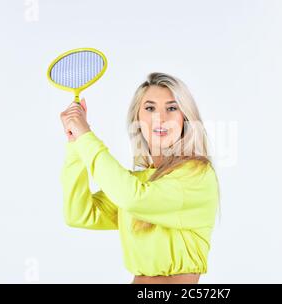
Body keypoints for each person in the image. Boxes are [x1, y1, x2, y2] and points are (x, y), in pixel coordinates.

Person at [59, 72, 220, 284]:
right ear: (137, 118)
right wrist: (76, 144)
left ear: (185, 118)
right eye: (150, 108)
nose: (160, 118)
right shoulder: (139, 181)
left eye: (172, 108)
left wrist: (86, 136)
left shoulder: (197, 175)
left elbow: (133, 198)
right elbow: (79, 214)